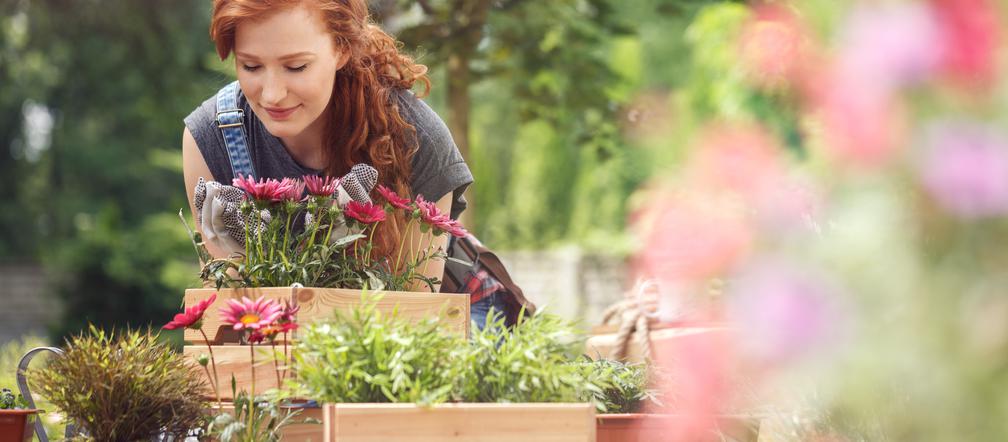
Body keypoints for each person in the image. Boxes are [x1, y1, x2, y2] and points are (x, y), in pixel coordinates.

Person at [181, 0, 480, 302]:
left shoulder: (415, 138)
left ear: (342, 49)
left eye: (296, 67)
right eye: (251, 66)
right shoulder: (213, 137)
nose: (272, 94)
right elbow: (230, 318)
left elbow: (416, 320)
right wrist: (238, 261)